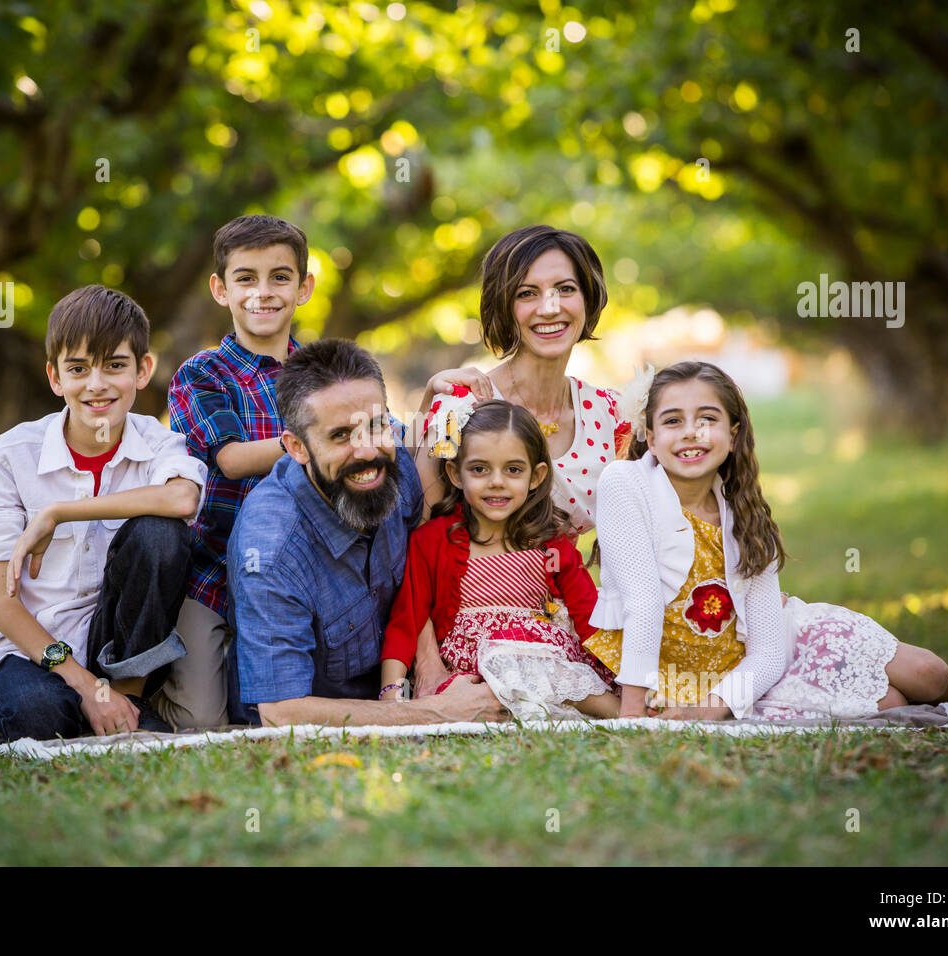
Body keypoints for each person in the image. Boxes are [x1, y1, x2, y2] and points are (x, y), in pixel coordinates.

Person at [584, 360, 948, 721]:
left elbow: (766, 649)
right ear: (650, 438)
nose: (691, 432)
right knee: (890, 702)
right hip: (682, 675)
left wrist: (709, 709)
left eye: (707, 419)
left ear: (733, 435)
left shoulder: (743, 510)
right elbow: (643, 599)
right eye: (672, 421)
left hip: (770, 652)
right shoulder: (625, 483)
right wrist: (636, 708)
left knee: (930, 676)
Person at [0, 285, 208, 743]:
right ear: (55, 378)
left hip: (116, 648)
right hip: (35, 649)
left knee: (160, 534)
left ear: (143, 370)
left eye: (115, 365)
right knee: (39, 717)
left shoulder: (159, 445)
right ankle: (79, 712)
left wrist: (59, 512)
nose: (97, 384)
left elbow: (181, 501)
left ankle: (129, 701)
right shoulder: (8, 456)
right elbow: (1, 602)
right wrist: (85, 687)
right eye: (78, 368)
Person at [409, 224, 644, 694]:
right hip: (471, 634)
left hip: (571, 625)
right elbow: (413, 544)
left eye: (565, 289)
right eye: (527, 293)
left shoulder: (614, 414)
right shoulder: (460, 404)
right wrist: (428, 667)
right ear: (505, 306)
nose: (550, 307)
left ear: (588, 299)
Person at [226, 338, 507, 727]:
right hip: (324, 726)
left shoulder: (395, 467)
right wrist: (434, 713)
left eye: (376, 426)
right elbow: (282, 712)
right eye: (340, 436)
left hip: (396, 692)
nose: (366, 450)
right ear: (297, 447)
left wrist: (428, 666)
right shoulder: (273, 549)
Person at [155, 215, 313, 730]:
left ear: (304, 288)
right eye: (246, 278)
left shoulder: (322, 375)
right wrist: (326, 439)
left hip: (298, 575)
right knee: (202, 723)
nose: (263, 293)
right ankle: (146, 689)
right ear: (220, 290)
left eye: (280, 277)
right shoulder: (202, 374)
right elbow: (232, 459)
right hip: (212, 574)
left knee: (283, 713)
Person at [380, 400, 621, 720]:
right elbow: (406, 621)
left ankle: (626, 712)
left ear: (536, 477)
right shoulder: (432, 540)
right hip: (471, 678)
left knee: (541, 669)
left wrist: (625, 676)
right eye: (480, 469)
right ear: (455, 473)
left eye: (513, 469)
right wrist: (391, 698)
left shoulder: (549, 539)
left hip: (543, 662)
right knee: (493, 673)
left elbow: (589, 613)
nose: (496, 481)